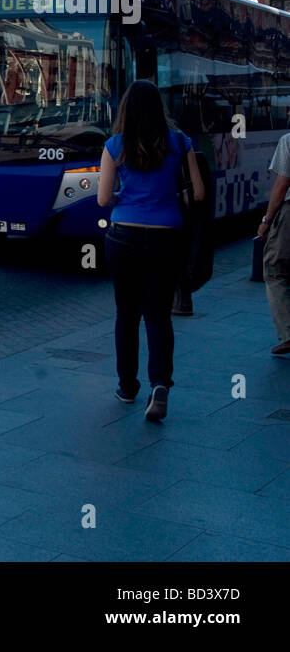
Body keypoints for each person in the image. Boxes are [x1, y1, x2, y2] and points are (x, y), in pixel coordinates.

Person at [96, 80, 205, 423]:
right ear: (159, 108)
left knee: (126, 314)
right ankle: (161, 384)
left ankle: (128, 387)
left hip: (124, 236)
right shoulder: (179, 142)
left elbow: (102, 199)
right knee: (158, 314)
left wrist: (125, 196)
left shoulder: (115, 145)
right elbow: (198, 193)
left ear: (126, 109)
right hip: (166, 237)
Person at [257, 129, 290, 357]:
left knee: (275, 270)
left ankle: (288, 334)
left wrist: (267, 220)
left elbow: (282, 183)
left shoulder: (288, 140)